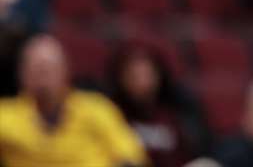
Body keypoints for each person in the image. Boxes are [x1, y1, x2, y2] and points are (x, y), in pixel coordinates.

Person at [0, 35, 148, 167]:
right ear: (22, 74)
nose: (44, 77)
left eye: (49, 69)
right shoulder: (4, 114)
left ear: (66, 71)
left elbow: (130, 156)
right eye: (37, 69)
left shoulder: (97, 108)